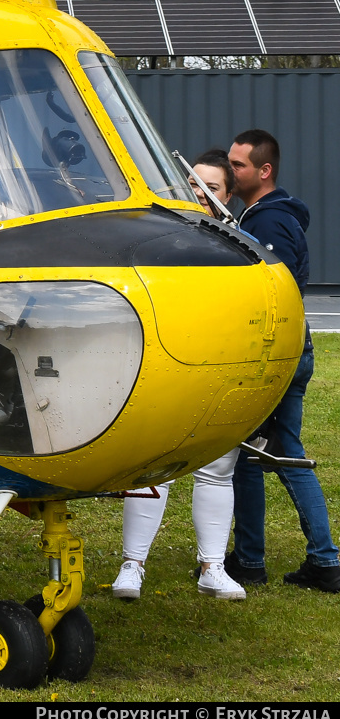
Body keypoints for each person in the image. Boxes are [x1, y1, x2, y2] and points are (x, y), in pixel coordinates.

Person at [110, 149, 247, 601]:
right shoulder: (154, 239)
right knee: (153, 468)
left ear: (227, 197)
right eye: (193, 185)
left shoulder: (237, 247)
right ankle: (132, 564)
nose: (200, 195)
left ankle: (213, 566)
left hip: (221, 371)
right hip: (167, 369)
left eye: (212, 189)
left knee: (217, 470)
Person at [225, 128, 338, 593]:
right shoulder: (260, 215)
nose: (231, 172)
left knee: (274, 453)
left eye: (238, 166)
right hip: (289, 352)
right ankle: (259, 560)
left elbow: (277, 293)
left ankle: (317, 561)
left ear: (264, 170)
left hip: (279, 354)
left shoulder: (268, 222)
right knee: (260, 456)